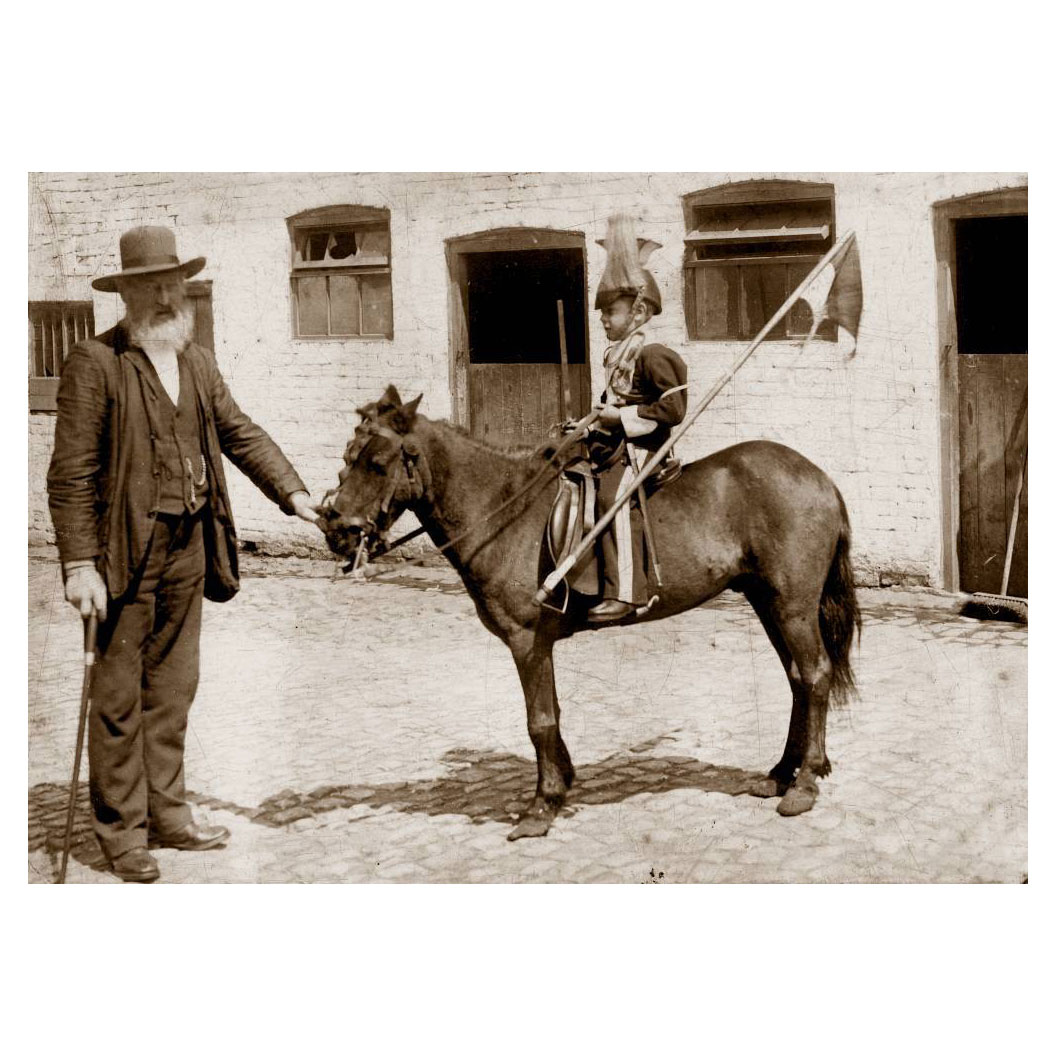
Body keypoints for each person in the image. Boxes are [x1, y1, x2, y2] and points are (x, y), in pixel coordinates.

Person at [47, 226, 321, 882]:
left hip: (187, 546)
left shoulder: (195, 358)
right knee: (117, 695)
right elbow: (71, 472)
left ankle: (168, 812)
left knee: (172, 690)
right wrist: (80, 563)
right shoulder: (97, 361)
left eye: (173, 283)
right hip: (123, 554)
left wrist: (295, 492)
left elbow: (237, 430)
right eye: (151, 286)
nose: (166, 295)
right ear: (128, 294)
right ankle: (122, 833)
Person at [586, 216, 688, 623]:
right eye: (603, 313)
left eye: (611, 311)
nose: (604, 320)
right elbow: (610, 402)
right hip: (619, 443)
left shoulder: (653, 354)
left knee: (613, 500)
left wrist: (619, 417)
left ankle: (628, 594)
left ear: (639, 311)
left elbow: (672, 411)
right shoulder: (619, 354)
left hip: (646, 447)